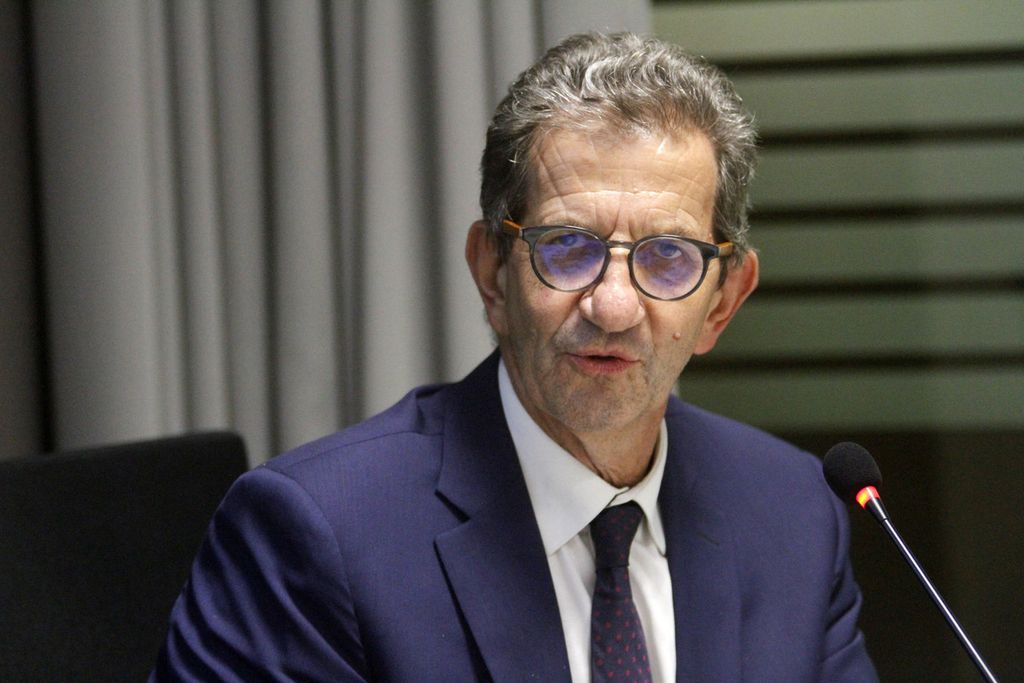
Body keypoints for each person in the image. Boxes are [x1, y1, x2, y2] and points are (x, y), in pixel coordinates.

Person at [152, 32, 877, 682]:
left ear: (722, 302)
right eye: (567, 247)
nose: (613, 307)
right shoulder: (317, 532)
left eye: (666, 257)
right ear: (493, 273)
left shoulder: (793, 514)